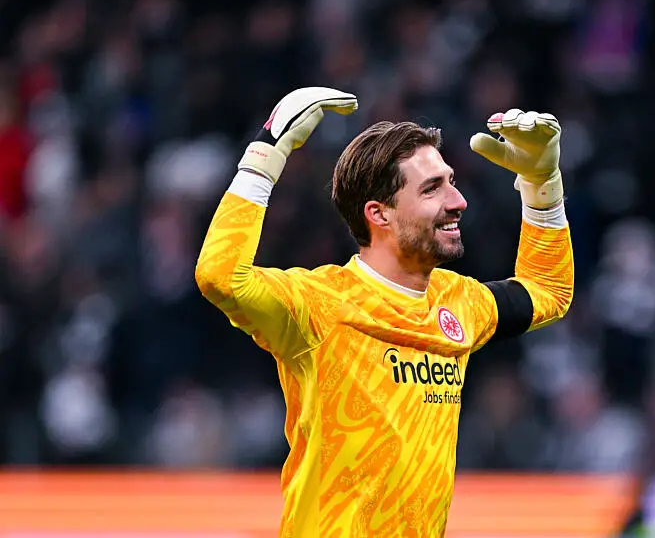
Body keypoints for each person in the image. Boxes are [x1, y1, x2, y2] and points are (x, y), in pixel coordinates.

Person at [195, 87, 575, 537]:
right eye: (432, 188)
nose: (458, 201)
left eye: (451, 182)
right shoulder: (318, 305)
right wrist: (265, 155)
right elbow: (220, 276)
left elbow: (549, 290)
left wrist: (542, 187)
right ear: (379, 214)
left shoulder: (460, 302)